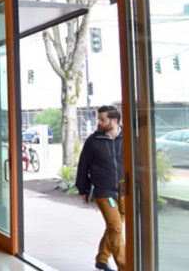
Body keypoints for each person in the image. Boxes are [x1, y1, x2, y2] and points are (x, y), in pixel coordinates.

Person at [76, 105, 125, 271]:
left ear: (114, 121)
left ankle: (102, 259)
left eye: (102, 119)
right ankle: (125, 266)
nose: (99, 122)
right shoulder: (93, 141)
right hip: (104, 192)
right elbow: (83, 166)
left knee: (113, 229)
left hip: (125, 191)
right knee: (116, 228)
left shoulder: (128, 138)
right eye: (99, 119)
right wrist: (83, 189)